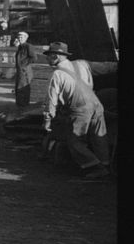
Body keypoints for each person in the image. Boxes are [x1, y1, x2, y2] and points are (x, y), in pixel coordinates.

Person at [41, 41, 111, 179]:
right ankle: (106, 164)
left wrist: (47, 120)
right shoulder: (82, 64)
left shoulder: (57, 74)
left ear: (55, 56)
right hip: (97, 103)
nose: (47, 59)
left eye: (48, 56)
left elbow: (51, 100)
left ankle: (95, 167)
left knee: (74, 141)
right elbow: (107, 67)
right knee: (98, 136)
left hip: (80, 107)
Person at [12, 31, 41, 108]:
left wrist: (24, 65)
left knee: (23, 89)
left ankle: (23, 106)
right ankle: (19, 106)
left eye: (22, 37)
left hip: (25, 71)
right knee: (18, 88)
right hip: (20, 71)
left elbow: (34, 58)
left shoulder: (28, 46)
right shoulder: (20, 47)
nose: (20, 39)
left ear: (26, 38)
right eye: (19, 37)